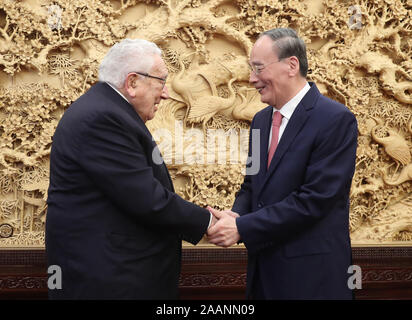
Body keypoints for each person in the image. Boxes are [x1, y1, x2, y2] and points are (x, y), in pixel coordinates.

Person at [46, 39, 213, 299]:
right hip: (109, 283)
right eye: (161, 81)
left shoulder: (106, 110)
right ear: (132, 82)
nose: (166, 93)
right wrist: (210, 223)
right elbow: (147, 199)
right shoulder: (102, 118)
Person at [207, 28, 358, 299]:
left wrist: (243, 228)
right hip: (263, 274)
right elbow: (252, 184)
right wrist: (237, 215)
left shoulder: (335, 119)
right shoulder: (261, 120)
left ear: (291, 65)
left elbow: (314, 200)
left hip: (312, 279)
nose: (252, 79)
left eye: (258, 68)